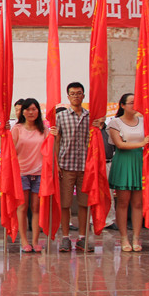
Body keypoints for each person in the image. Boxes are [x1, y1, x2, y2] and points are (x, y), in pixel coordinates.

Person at [54, 82, 96, 252]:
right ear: (68, 96)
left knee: (84, 204)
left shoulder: (90, 117)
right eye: (72, 94)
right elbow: (57, 141)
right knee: (65, 204)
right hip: (66, 165)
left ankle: (82, 237)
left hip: (86, 168)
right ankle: (65, 237)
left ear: (83, 96)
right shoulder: (61, 117)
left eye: (79, 93)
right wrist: (56, 163)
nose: (76, 96)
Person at [107, 93, 149, 252]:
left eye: (136, 102)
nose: (134, 105)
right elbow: (120, 144)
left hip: (139, 162)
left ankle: (136, 237)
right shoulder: (115, 122)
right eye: (131, 103)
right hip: (124, 162)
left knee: (138, 203)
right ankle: (124, 237)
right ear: (122, 105)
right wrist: (142, 143)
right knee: (123, 202)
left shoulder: (144, 122)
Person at [12, 98, 52, 253]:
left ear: (38, 111)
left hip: (40, 173)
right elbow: (10, 151)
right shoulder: (17, 129)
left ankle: (35, 241)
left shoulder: (44, 130)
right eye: (28, 109)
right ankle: (24, 240)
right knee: (22, 207)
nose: (31, 112)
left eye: (34, 109)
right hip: (21, 172)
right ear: (22, 112)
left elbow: (50, 151)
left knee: (36, 208)